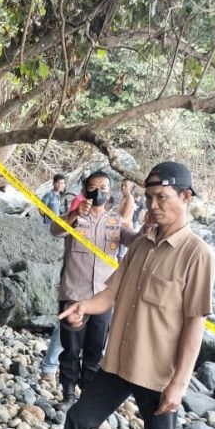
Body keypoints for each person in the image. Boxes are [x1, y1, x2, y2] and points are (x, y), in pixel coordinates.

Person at [26, 161, 215, 429]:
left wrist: (178, 384)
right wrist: (83, 307)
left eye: (162, 198)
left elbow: (195, 325)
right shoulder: (143, 243)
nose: (154, 206)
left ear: (186, 198)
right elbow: (110, 292)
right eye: (149, 198)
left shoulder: (197, 254)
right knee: (78, 419)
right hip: (119, 363)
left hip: (158, 372)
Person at [51, 171, 136, 409]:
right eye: (93, 186)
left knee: (95, 348)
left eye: (104, 187)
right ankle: (67, 393)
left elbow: (132, 240)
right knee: (71, 348)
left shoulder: (115, 222)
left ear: (111, 192)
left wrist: (145, 230)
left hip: (103, 297)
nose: (99, 191)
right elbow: (55, 231)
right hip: (73, 293)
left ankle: (87, 393)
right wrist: (74, 215)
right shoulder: (76, 217)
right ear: (85, 190)